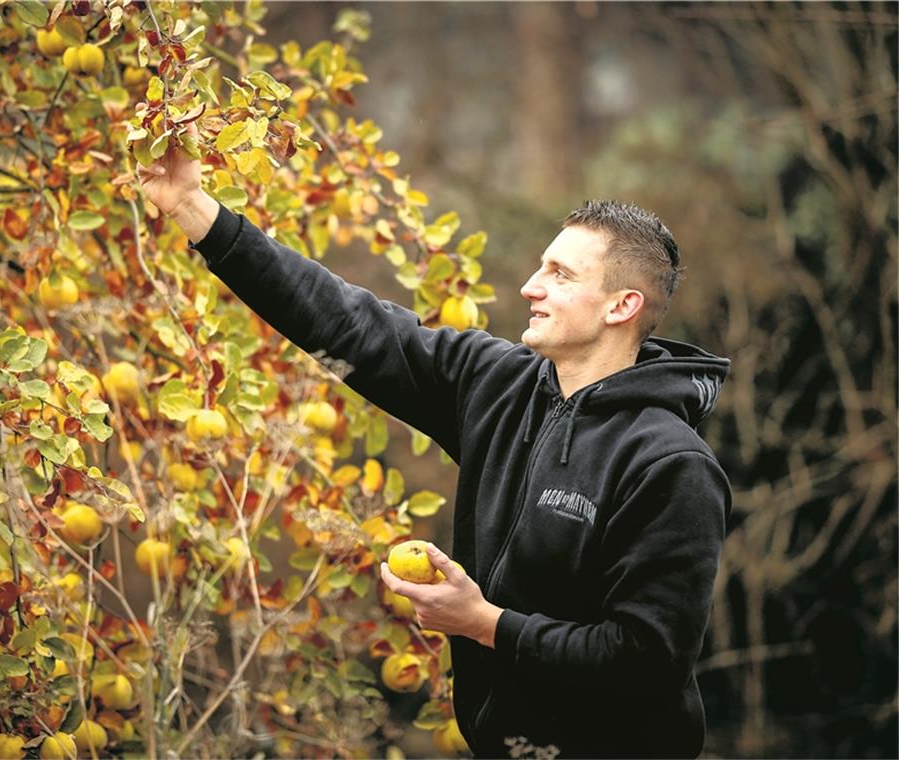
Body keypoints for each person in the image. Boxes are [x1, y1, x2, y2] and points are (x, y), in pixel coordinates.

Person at [140, 132, 731, 759]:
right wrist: (195, 211)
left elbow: (644, 663)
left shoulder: (671, 467)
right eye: (540, 266)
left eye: (559, 274)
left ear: (623, 305)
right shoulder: (495, 385)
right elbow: (345, 323)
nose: (532, 286)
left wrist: (484, 624)